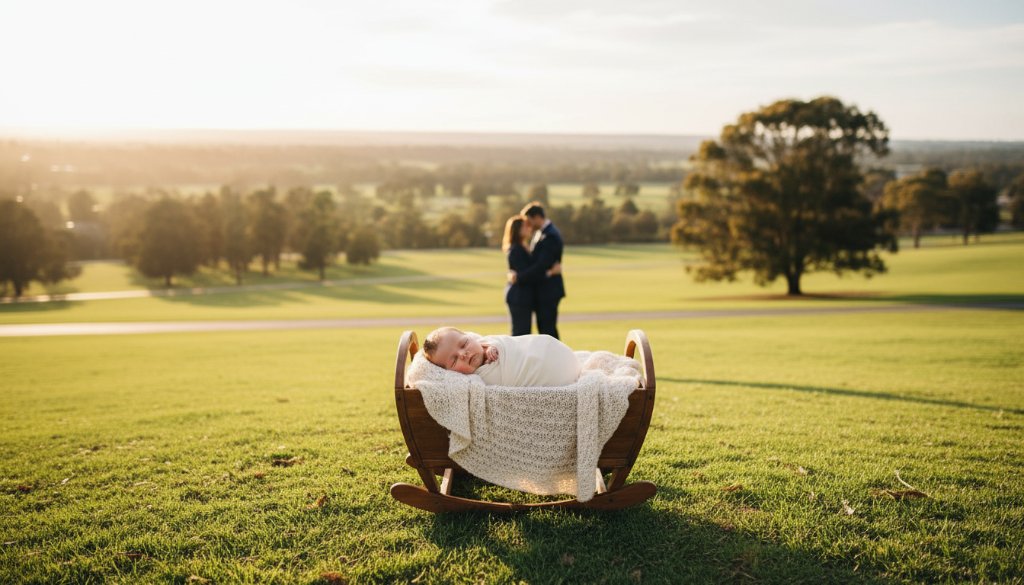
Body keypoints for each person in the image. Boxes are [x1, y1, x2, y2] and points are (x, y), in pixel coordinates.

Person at [422, 326, 580, 387]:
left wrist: (493, 346)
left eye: (464, 344)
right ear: (450, 372)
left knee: (543, 349)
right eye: (454, 360)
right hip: (550, 376)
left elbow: (507, 343)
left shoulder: (485, 343)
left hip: (550, 350)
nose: (464, 354)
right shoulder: (472, 381)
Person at [502, 215, 561, 336]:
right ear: (517, 230)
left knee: (524, 334)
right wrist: (550, 272)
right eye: (525, 227)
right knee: (520, 334)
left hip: (524, 297)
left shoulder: (524, 247)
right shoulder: (516, 250)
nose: (529, 229)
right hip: (518, 297)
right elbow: (525, 276)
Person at [517, 202, 566, 339]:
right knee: (544, 329)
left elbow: (541, 265)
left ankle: (557, 359)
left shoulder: (550, 235)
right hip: (544, 290)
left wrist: (519, 277)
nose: (528, 225)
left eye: (529, 221)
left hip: (549, 290)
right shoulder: (542, 233)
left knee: (548, 330)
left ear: (537, 217)